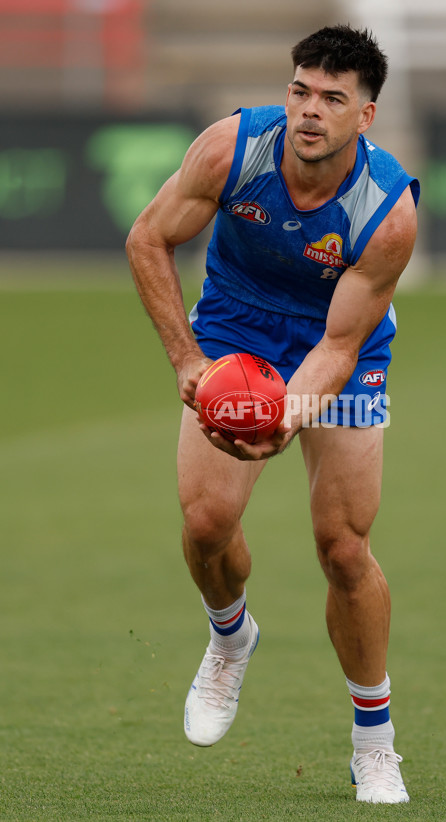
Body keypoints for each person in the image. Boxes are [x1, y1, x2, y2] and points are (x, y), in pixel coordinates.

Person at [126, 24, 419, 805]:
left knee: (344, 548)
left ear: (366, 115)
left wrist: (286, 415)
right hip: (236, 328)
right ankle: (230, 638)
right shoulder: (233, 149)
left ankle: (375, 744)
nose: (310, 110)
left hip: (337, 345)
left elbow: (340, 344)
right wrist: (189, 360)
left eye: (333, 98)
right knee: (206, 524)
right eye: (300, 91)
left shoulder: (387, 211)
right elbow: (148, 238)